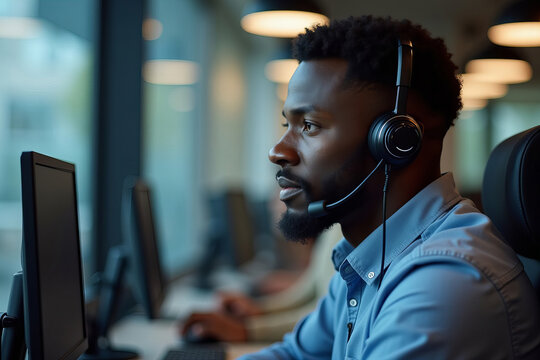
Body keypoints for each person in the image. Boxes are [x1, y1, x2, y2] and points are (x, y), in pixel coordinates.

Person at [233, 15, 540, 359]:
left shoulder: (442, 286)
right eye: (286, 123)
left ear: (396, 139)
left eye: (309, 125)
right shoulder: (369, 255)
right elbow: (293, 355)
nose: (277, 150)